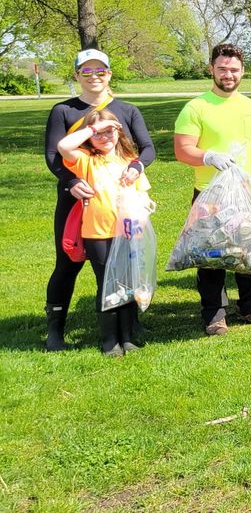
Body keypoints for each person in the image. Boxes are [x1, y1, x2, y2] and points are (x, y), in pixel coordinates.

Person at [43, 49, 155, 352]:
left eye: (100, 71)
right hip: (77, 202)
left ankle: (129, 327)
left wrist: (137, 166)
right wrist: (71, 181)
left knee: (127, 263)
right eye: (87, 71)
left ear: (109, 74)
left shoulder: (127, 110)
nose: (94, 77)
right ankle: (55, 329)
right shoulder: (64, 110)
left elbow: (145, 148)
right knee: (68, 263)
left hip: (120, 201)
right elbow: (55, 155)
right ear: (77, 75)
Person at [174, 43, 251, 336]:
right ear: (212, 69)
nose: (228, 74)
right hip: (210, 194)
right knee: (211, 255)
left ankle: (250, 307)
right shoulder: (197, 107)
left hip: (247, 193)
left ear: (242, 71)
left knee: (248, 253)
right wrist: (208, 156)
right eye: (222, 68)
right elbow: (182, 150)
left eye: (233, 69)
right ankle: (214, 314)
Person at [57, 109, 152, 356]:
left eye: (109, 131)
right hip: (98, 233)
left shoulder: (129, 159)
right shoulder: (85, 160)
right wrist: (92, 128)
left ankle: (127, 336)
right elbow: (63, 146)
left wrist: (137, 172)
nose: (104, 137)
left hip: (130, 231)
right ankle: (110, 340)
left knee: (128, 283)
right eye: (98, 133)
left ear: (118, 131)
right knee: (107, 284)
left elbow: (142, 194)